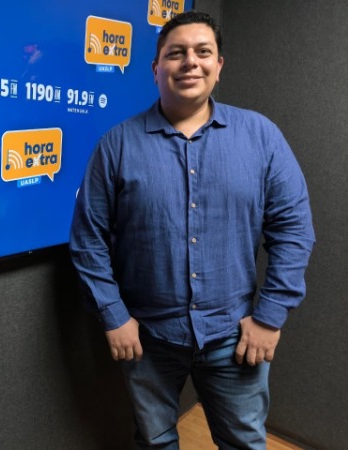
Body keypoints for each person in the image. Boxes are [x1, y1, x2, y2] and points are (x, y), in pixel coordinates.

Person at [69, 10, 315, 449]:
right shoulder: (116, 145)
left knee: (243, 443)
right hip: (146, 337)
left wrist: (270, 317)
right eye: (176, 53)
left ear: (218, 66)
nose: (190, 62)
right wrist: (113, 315)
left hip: (234, 335)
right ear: (156, 68)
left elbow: (294, 230)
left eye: (203, 52)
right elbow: (88, 239)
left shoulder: (261, 136)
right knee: (154, 442)